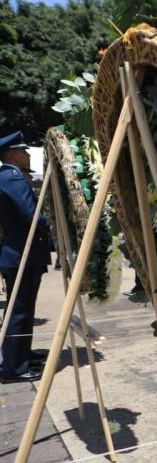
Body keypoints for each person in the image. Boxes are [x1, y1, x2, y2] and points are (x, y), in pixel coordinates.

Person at [0, 131, 51, 383]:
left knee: (23, 309)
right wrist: (51, 226)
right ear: (11, 154)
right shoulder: (12, 178)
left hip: (22, 253)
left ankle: (21, 355)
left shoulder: (10, 177)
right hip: (22, 254)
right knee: (19, 311)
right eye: (23, 151)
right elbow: (31, 216)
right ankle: (13, 368)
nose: (27, 154)